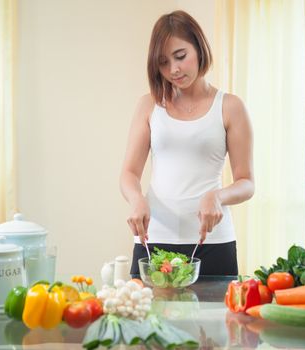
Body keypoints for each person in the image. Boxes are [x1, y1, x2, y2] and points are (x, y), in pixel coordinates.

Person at [120, 10, 254, 276]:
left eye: (181, 56)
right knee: (148, 318)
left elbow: (246, 182)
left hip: (213, 241)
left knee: (215, 319)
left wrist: (217, 196)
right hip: (153, 240)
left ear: (199, 47)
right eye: (163, 63)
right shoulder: (149, 105)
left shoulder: (230, 107)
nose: (174, 70)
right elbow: (129, 173)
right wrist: (136, 199)